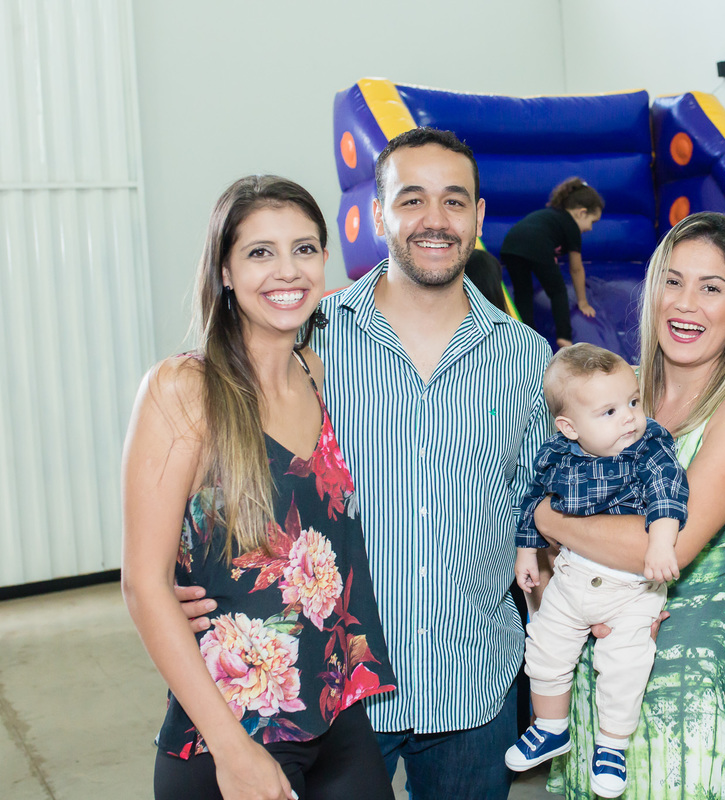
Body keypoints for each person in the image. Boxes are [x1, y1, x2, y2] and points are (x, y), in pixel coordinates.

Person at [176, 129, 552, 800]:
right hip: (335, 697)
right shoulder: (304, 338)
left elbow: (534, 517)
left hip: (474, 684)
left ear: (478, 217)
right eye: (411, 199)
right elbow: (220, 467)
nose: (435, 219)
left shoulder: (527, 357)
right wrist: (187, 582)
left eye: (454, 201)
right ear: (377, 214)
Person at [122, 175, 398, 800]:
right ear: (225, 271)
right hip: (229, 731)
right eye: (260, 252)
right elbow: (143, 582)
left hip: (336, 712)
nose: (287, 270)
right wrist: (232, 750)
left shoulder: (315, 372)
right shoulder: (184, 390)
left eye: (304, 249)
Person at [534, 212, 725, 800]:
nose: (685, 303)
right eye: (672, 281)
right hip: (595, 677)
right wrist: (564, 603)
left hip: (683, 695)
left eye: (711, 287)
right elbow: (545, 552)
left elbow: (666, 544)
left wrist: (546, 517)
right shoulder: (617, 393)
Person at [507, 344, 689, 797]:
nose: (629, 418)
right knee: (544, 646)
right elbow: (532, 499)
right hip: (572, 576)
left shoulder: (648, 447)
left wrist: (661, 542)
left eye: (633, 402)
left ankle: (612, 745)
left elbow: (668, 492)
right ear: (569, 427)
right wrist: (527, 552)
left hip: (631, 588)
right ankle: (551, 727)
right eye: (609, 411)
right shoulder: (556, 454)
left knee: (625, 663)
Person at [501, 177, 604, 348]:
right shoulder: (571, 226)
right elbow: (576, 269)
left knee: (523, 292)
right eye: (592, 222)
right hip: (536, 245)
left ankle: (526, 334)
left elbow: (538, 236)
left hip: (510, 245)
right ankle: (564, 336)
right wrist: (583, 302)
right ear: (582, 213)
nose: (590, 228)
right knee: (558, 291)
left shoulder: (551, 215)